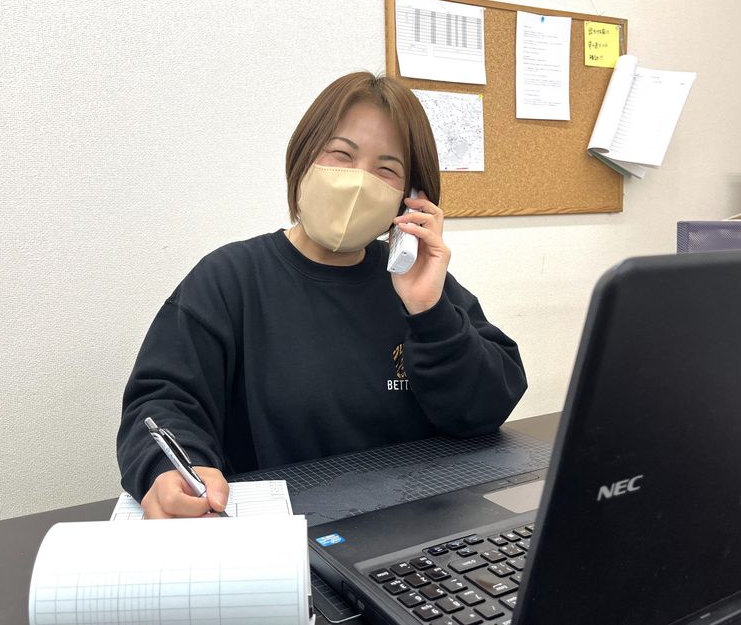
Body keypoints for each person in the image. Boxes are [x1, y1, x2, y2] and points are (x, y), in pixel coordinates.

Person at [116, 72, 527, 519]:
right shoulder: (229, 278)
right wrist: (169, 471)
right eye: (341, 155)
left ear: (409, 199)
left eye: (386, 169)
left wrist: (429, 311)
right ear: (304, 157)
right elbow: (163, 402)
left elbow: (486, 410)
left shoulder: (418, 283)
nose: (358, 181)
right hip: (287, 534)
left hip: (416, 529)